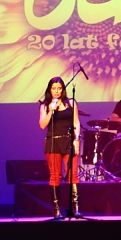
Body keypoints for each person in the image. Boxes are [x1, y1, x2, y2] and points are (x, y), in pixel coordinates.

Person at [39, 76, 82, 219]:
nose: (56, 91)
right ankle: (56, 210)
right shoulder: (45, 105)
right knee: (55, 176)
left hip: (69, 141)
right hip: (53, 142)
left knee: (73, 175)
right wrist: (51, 110)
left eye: (59, 88)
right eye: (53, 88)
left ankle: (75, 209)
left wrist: (76, 139)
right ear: (49, 90)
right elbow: (42, 125)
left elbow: (76, 122)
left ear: (63, 89)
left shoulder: (71, 103)